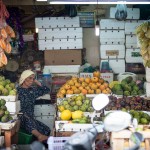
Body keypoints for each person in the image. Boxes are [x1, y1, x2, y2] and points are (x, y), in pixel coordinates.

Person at [17, 70, 51, 142]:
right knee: (27, 119)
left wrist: (36, 81)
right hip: (21, 116)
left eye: (33, 78)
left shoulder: (33, 91)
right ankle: (40, 136)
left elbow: (47, 90)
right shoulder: (17, 91)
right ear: (24, 78)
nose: (31, 80)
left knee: (47, 129)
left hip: (31, 117)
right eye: (29, 78)